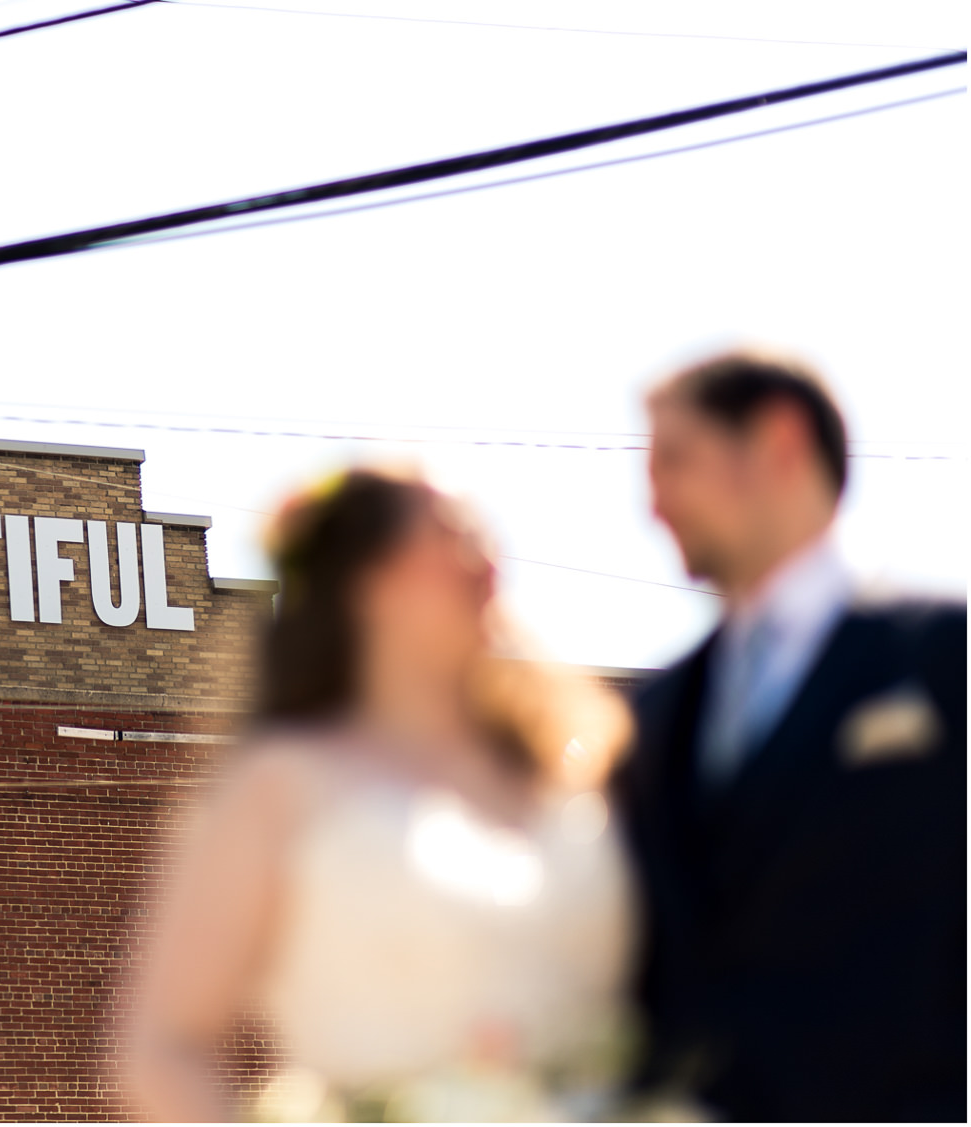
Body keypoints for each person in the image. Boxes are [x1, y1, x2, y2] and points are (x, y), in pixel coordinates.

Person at [115, 464, 638, 1121]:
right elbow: (163, 1045)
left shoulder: (575, 761)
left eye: (484, 534)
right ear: (368, 582)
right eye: (451, 535)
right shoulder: (281, 784)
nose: (486, 560)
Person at [617, 348, 962, 1121]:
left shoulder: (947, 655)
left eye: (673, 459)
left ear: (778, 442)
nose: (654, 504)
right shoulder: (658, 711)